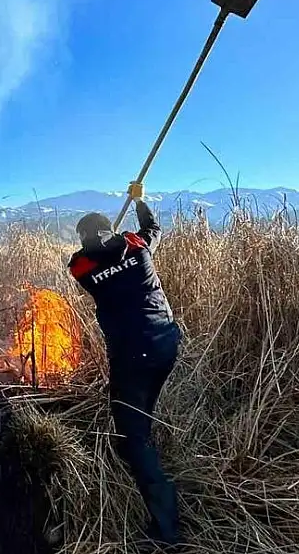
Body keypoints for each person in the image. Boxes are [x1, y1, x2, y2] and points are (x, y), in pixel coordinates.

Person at [66, 182, 184, 544]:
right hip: (165, 343)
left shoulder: (83, 269)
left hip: (132, 355)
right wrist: (139, 201)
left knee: (132, 439)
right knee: (141, 416)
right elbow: (152, 229)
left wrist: (97, 244)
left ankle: (167, 530)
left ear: (85, 238)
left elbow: (75, 260)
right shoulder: (137, 246)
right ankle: (149, 451)